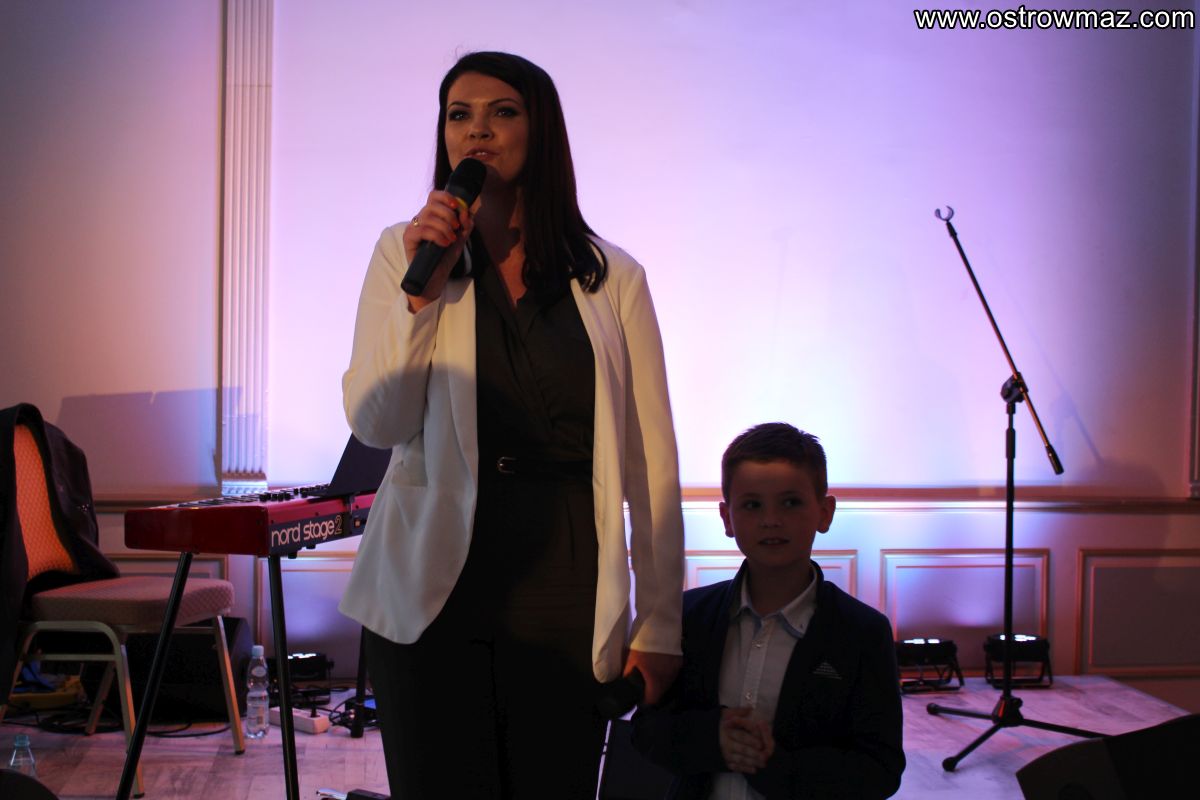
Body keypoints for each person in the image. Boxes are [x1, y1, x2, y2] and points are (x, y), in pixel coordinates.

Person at [338, 51, 684, 798]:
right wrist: (421, 299)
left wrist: (660, 623)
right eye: (459, 115)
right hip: (433, 585)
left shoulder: (611, 277)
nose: (477, 131)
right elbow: (377, 422)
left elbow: (650, 462)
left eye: (502, 112)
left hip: (565, 579)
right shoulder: (404, 253)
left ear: (541, 130)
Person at [632, 423, 905, 799]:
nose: (771, 520)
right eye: (752, 505)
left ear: (825, 512)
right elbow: (646, 730)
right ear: (727, 518)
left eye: (790, 502)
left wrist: (775, 765)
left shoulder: (862, 632)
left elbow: (880, 769)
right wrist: (712, 739)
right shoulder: (688, 617)